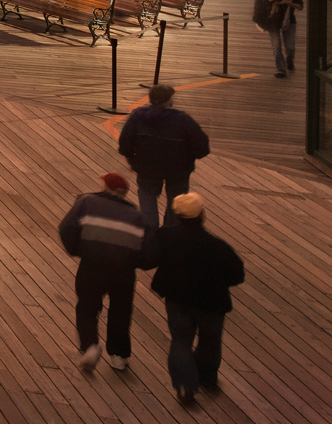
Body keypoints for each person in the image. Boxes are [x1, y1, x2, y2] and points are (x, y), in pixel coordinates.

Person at [150, 192, 245, 406]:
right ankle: (207, 378)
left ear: (176, 215)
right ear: (201, 215)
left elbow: (151, 256)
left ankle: (185, 385)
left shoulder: (165, 236)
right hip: (212, 303)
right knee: (210, 341)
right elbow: (237, 275)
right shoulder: (217, 247)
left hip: (177, 298)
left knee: (180, 340)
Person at [57, 171, 155, 372]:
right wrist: (133, 262)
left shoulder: (87, 202)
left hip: (92, 265)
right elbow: (150, 253)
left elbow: (66, 228)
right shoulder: (137, 217)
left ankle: (90, 347)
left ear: (105, 187)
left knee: (87, 307)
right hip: (124, 272)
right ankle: (119, 356)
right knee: (121, 310)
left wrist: (79, 249)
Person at [118, 83, 209, 229]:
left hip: (147, 168)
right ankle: (170, 232)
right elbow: (202, 147)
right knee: (177, 202)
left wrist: (133, 160)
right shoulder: (183, 120)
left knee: (147, 198)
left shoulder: (138, 116)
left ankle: (150, 232)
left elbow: (125, 142)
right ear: (169, 100)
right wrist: (189, 157)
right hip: (178, 170)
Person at [252, 0, 302, 78]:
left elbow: (300, 7)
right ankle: (281, 69)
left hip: (289, 21)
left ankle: (289, 59)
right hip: (272, 21)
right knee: (276, 46)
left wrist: (288, 2)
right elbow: (259, 1)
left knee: (290, 47)